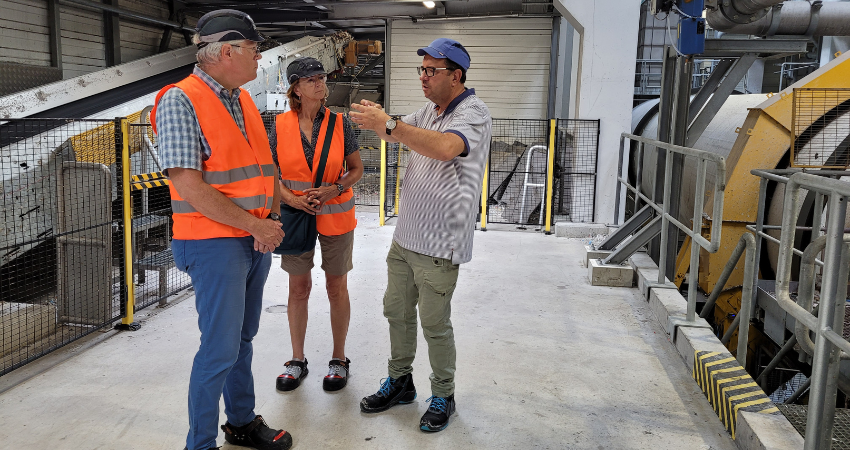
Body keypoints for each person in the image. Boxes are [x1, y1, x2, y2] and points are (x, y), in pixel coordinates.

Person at [151, 9, 292, 450]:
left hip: (253, 238)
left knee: (241, 340)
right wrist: (255, 224)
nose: (259, 58)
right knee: (218, 350)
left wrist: (269, 220)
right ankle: (201, 443)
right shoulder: (180, 99)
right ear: (226, 51)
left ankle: (241, 422)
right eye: (254, 49)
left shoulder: (242, 99)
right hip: (213, 243)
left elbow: (259, 170)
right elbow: (188, 185)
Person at [349, 38, 492, 432]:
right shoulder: (429, 110)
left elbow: (447, 148)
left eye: (432, 71)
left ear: (456, 75)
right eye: (422, 70)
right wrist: (381, 122)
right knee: (396, 312)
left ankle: (443, 394)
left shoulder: (474, 114)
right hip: (406, 238)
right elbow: (398, 134)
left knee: (434, 323)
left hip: (439, 243)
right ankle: (400, 382)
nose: (424, 78)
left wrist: (392, 124)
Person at [270, 57, 363, 393]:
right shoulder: (280, 126)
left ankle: (339, 359)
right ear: (296, 88)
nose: (319, 83)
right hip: (296, 218)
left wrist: (334, 189)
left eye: (322, 77)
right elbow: (271, 173)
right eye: (310, 79)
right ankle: (297, 360)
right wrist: (291, 200)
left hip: (336, 215)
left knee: (336, 288)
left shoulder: (340, 124)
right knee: (298, 289)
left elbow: (356, 169)